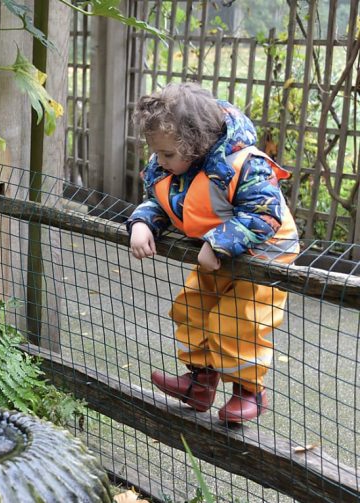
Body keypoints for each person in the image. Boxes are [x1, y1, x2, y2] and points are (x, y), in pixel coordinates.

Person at [127, 82, 299, 423]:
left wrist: (219, 242)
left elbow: (263, 214)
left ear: (196, 143)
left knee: (238, 322)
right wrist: (143, 222)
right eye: (157, 153)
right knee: (192, 307)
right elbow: (164, 202)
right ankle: (199, 383)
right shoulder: (173, 164)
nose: (159, 161)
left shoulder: (244, 164)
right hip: (217, 254)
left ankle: (248, 392)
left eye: (167, 155)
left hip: (262, 258)